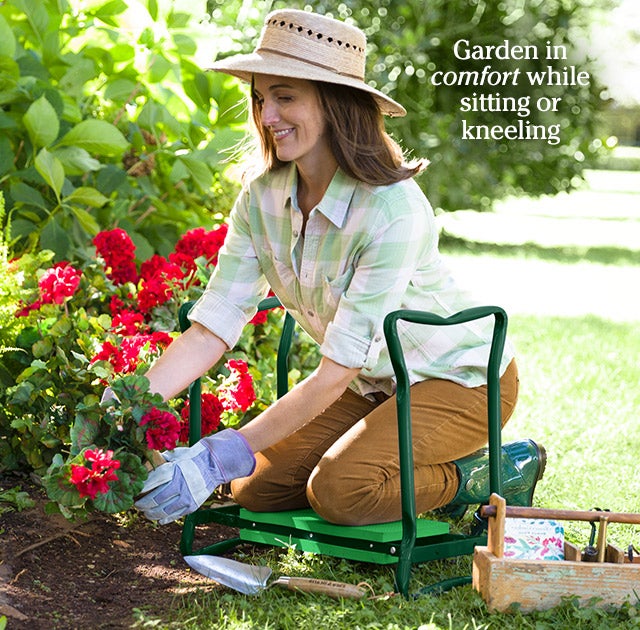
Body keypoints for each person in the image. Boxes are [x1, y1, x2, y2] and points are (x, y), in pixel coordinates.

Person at [134, 9, 545, 527]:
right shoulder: (261, 201)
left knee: (340, 490)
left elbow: (336, 371)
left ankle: (493, 472)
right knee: (255, 486)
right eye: (261, 98)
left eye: (285, 96)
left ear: (335, 103)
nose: (267, 116)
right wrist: (126, 402)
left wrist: (214, 455)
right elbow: (213, 325)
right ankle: (382, 459)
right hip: (376, 381)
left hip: (461, 379)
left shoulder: (391, 208)